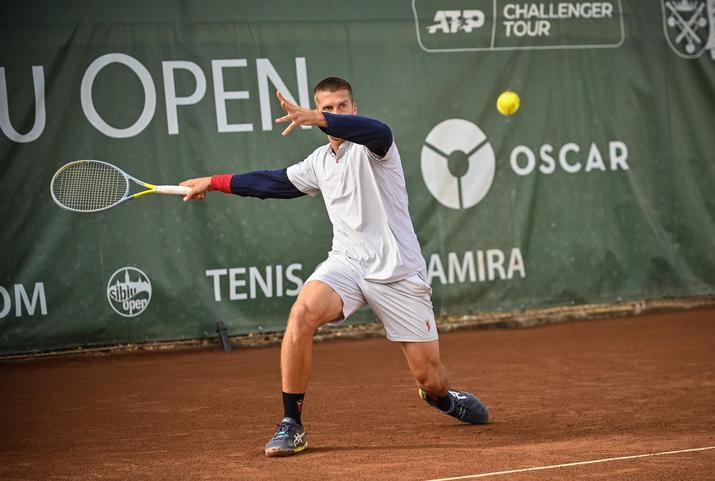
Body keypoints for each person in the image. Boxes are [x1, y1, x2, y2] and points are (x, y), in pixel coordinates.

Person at [180, 77, 491, 457]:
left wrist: (317, 118)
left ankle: (442, 398)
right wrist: (213, 182)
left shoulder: (377, 148)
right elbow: (272, 183)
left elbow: (378, 130)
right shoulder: (320, 163)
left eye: (342, 106)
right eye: (327, 108)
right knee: (302, 313)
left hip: (398, 272)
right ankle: (291, 424)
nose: (335, 113)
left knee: (430, 376)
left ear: (354, 109)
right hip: (346, 263)